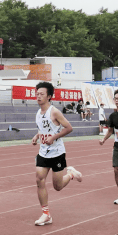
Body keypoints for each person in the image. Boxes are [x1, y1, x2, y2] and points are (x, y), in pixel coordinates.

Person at [31, 81, 83, 226]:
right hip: (43, 152)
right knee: (39, 179)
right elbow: (42, 129)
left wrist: (53, 138)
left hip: (57, 153)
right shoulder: (38, 113)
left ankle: (71, 174)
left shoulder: (54, 111)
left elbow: (69, 128)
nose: (38, 96)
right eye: (37, 94)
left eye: (41, 94)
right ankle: (46, 214)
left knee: (57, 186)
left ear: (49, 96)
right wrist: (37, 136)